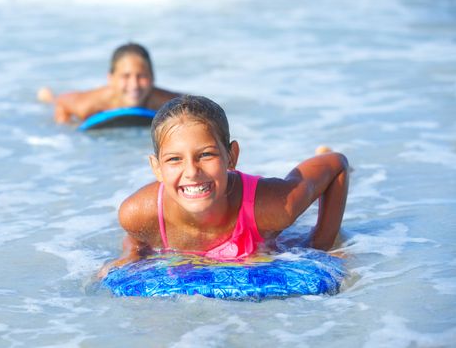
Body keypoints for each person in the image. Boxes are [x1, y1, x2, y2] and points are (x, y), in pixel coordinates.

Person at [96, 95, 349, 279]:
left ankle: (318, 150)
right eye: (174, 159)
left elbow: (337, 164)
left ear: (231, 156)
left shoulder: (275, 207)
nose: (192, 172)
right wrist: (132, 254)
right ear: (157, 168)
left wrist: (323, 243)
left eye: (206, 155)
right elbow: (138, 234)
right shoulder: (139, 212)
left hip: (249, 210)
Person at [37, 42, 181, 124]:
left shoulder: (166, 101)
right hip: (78, 101)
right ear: (110, 79)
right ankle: (47, 96)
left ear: (152, 78)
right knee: (52, 100)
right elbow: (63, 102)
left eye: (142, 76)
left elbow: (196, 108)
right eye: (126, 76)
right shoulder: (90, 104)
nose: (134, 84)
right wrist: (67, 126)